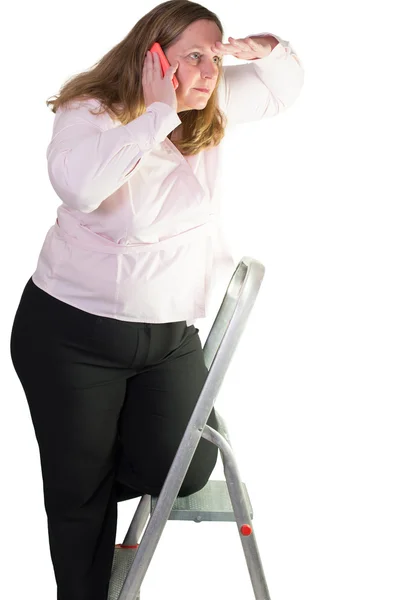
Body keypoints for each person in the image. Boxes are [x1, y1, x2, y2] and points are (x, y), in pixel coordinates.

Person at [9, 1, 304, 598]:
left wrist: (260, 49)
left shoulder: (208, 108)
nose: (209, 70)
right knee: (78, 501)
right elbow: (84, 188)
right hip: (73, 337)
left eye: (214, 56)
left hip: (168, 339)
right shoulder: (89, 112)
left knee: (187, 467)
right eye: (194, 55)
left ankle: (88, 461)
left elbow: (281, 91)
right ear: (151, 56)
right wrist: (158, 112)